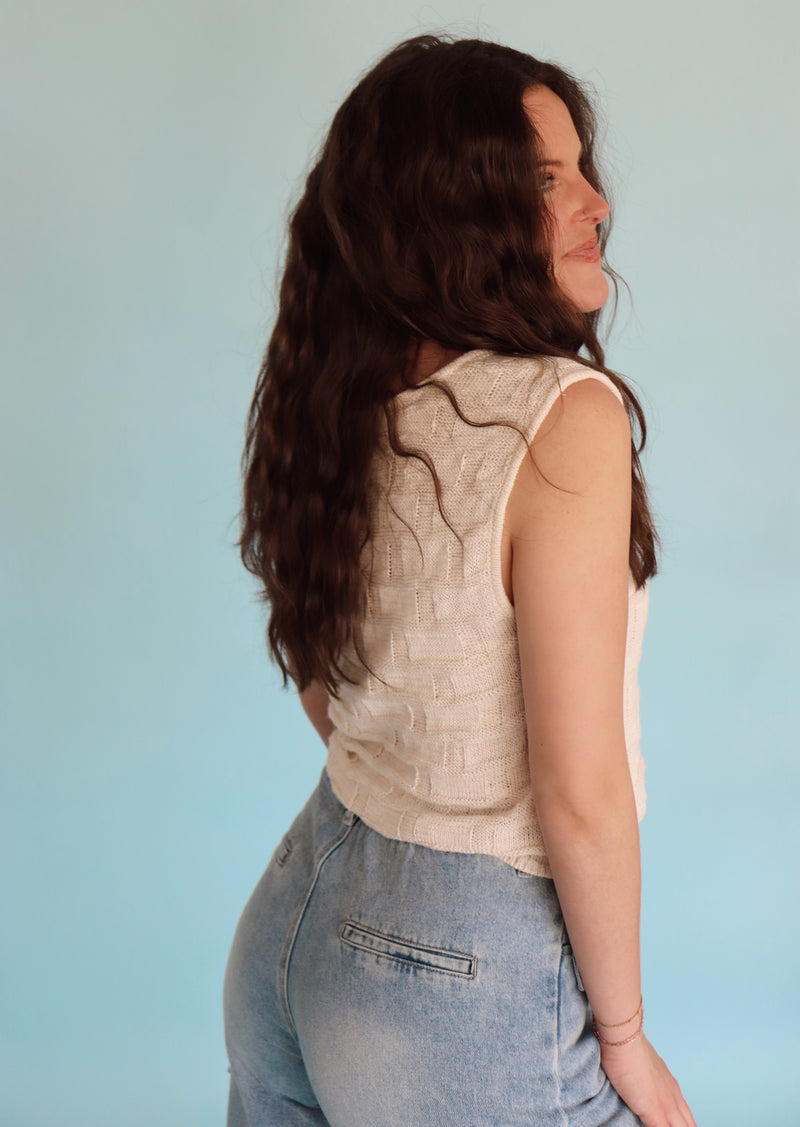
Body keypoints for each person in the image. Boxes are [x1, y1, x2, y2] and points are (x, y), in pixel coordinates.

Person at [224, 35, 698, 1127]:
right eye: (545, 180)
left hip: (297, 917)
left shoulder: (346, 399)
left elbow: (316, 667)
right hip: (455, 981)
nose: (594, 204)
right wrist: (622, 1040)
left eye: (582, 168)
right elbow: (576, 791)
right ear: (454, 213)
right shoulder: (556, 415)